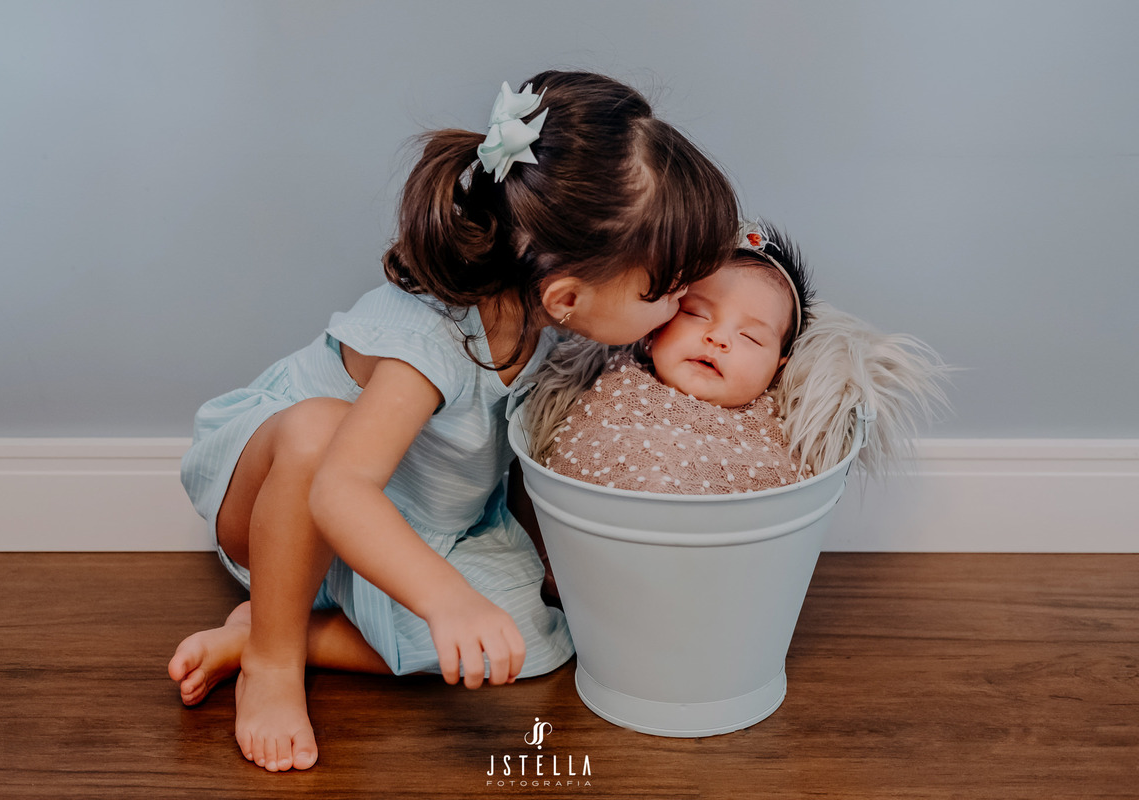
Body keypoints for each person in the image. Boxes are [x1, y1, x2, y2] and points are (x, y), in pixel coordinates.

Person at [167, 70, 740, 773]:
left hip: (406, 514)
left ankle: (287, 633)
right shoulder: (429, 344)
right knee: (319, 434)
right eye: (668, 293)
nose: (680, 307)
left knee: (533, 639)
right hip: (285, 501)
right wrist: (445, 601)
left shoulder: (546, 319)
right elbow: (339, 491)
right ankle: (272, 659)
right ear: (566, 297)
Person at [532, 222, 815, 494]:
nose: (718, 338)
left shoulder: (776, 431)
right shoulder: (617, 385)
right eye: (695, 313)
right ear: (653, 330)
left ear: (778, 369)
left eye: (750, 337)